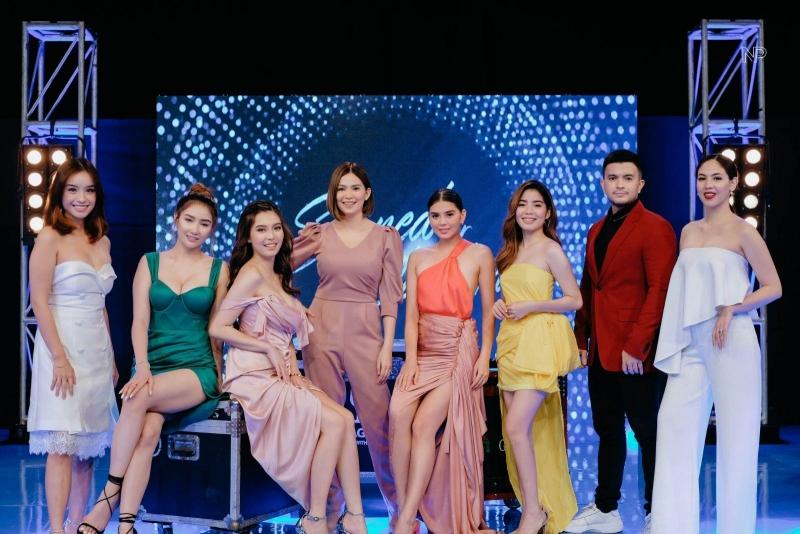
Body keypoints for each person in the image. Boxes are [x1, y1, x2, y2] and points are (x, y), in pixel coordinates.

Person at [209, 200, 368, 534]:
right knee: (334, 423)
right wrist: (266, 346)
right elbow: (218, 327)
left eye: (275, 228)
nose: (270, 236)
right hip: (254, 376)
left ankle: (354, 515)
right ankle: (315, 516)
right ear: (248, 237)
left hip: (282, 372)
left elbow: (291, 259)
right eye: (261, 230)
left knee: (344, 418)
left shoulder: (276, 271)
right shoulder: (250, 274)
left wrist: (311, 239)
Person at [78, 183, 227, 534]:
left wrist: (221, 375)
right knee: (147, 431)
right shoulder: (150, 262)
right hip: (152, 364)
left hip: (196, 369)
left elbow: (216, 331)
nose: (195, 229)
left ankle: (107, 498)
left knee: (136, 398)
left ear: (212, 229)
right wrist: (142, 365)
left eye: (204, 223)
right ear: (175, 219)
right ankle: (126, 524)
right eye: (189, 220)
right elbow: (140, 321)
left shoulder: (219, 269)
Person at [650, 154, 781, 534]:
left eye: (717, 178)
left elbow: (773, 286)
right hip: (691, 341)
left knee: (737, 441)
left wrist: (734, 308)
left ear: (733, 183)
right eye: (702, 178)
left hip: (732, 338)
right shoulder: (688, 232)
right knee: (672, 426)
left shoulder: (743, 231)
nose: (709, 185)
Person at [566, 150, 676, 534]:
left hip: (636, 353)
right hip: (601, 350)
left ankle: (658, 512)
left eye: (627, 178)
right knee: (608, 430)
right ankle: (606, 508)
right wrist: (582, 338)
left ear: (640, 184)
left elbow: (659, 290)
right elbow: (589, 287)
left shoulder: (656, 227)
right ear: (603, 183)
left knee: (648, 433)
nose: (619, 184)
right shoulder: (596, 230)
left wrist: (638, 345)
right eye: (612, 178)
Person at [292, 162, 402, 528]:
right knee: (327, 423)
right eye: (341, 189)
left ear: (367, 193)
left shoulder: (386, 236)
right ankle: (331, 508)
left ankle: (398, 508)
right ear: (333, 194)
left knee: (380, 425)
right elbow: (277, 266)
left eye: (355, 188)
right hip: (321, 329)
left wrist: (387, 346)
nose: (348, 195)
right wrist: (293, 308)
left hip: (366, 332)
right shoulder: (320, 233)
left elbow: (390, 297)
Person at [389, 188, 496, 534]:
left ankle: (407, 518)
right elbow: (411, 316)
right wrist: (410, 360)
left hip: (456, 354)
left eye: (449, 214)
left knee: (423, 426)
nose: (442, 222)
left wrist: (484, 357)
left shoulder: (480, 253)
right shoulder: (418, 257)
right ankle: (403, 506)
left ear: (462, 216)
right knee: (397, 415)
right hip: (424, 353)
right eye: (435, 216)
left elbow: (488, 313)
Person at [28, 158, 118, 534]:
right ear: (60, 194)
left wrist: (112, 358)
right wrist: (60, 358)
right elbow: (39, 300)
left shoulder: (102, 239)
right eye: (73, 189)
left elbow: (101, 306)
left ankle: (80, 524)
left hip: (96, 352)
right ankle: (56, 529)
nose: (82, 198)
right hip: (61, 348)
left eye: (89, 190)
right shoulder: (49, 237)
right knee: (62, 444)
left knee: (88, 449)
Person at [493, 180, 582, 534]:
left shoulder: (551, 250)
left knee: (516, 427)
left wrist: (533, 305)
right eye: (523, 204)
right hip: (511, 344)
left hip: (539, 345)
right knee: (519, 432)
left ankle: (533, 513)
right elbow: (511, 296)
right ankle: (535, 506)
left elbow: (574, 299)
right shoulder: (509, 252)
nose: (529, 211)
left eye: (537, 205)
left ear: (547, 213)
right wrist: (501, 305)